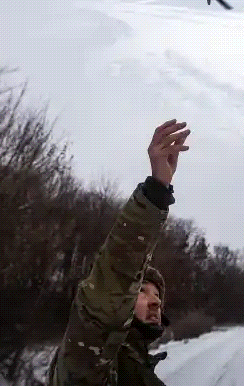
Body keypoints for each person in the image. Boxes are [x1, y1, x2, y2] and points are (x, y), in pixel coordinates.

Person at [48, 119, 191, 386]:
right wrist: (157, 191)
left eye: (157, 295)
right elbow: (114, 281)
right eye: (142, 291)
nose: (156, 302)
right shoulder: (91, 362)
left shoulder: (138, 367)